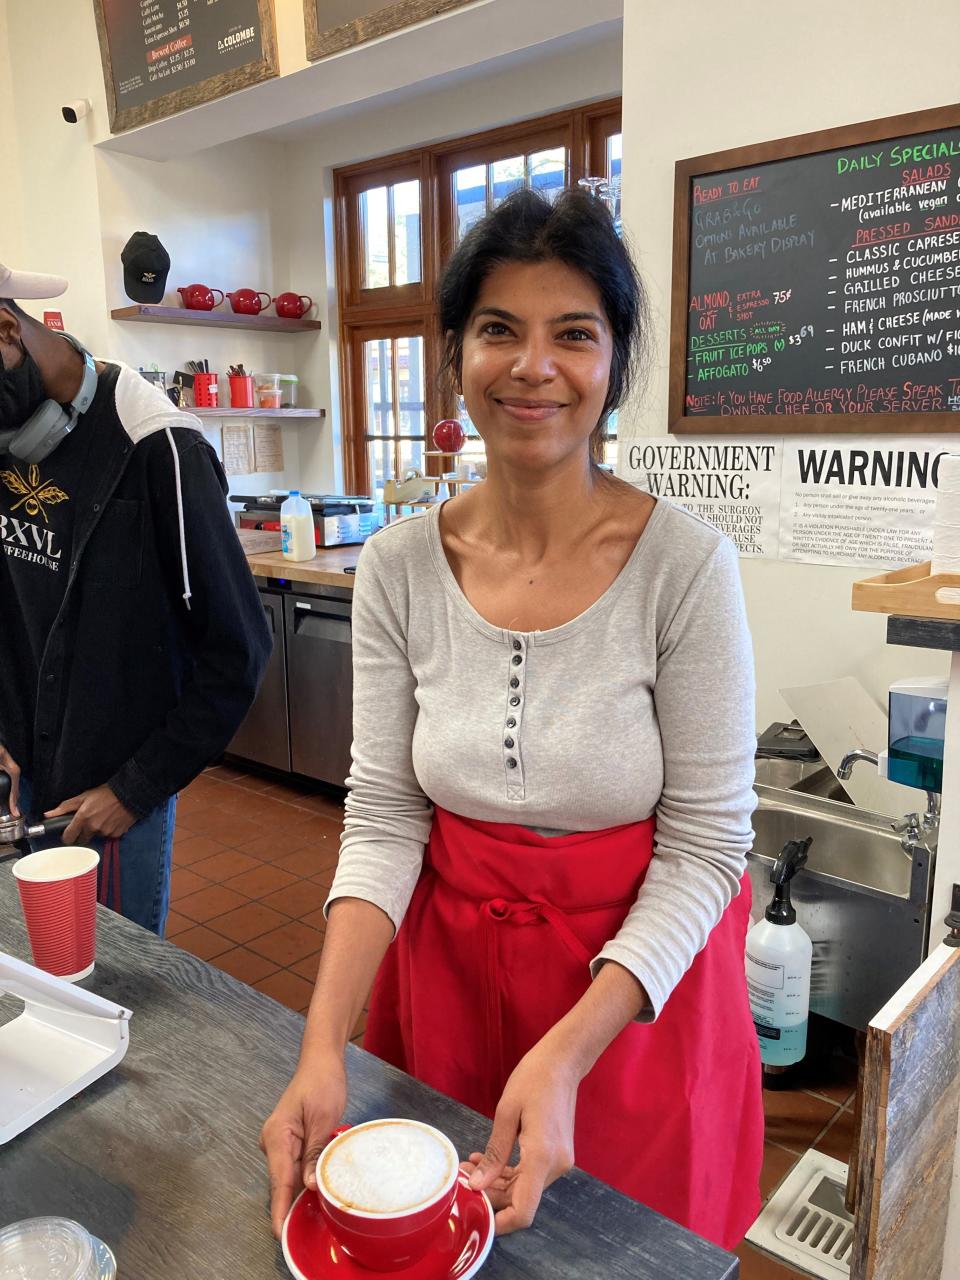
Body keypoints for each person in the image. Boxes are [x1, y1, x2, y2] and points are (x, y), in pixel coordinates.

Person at [261, 190, 763, 1249]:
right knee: (440, 1240)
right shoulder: (398, 565)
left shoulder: (686, 568)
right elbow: (387, 814)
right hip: (443, 982)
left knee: (616, 1250)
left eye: (573, 333)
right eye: (499, 329)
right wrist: (322, 1045)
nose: (533, 365)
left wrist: (569, 1049)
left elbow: (710, 844)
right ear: (455, 357)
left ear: (614, 364)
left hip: (631, 1005)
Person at [0, 262, 271, 934]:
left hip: (110, 793)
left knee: (118, 986)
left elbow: (237, 653)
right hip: (18, 772)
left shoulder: (159, 447)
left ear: (6, 331)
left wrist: (138, 787)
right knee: (37, 977)